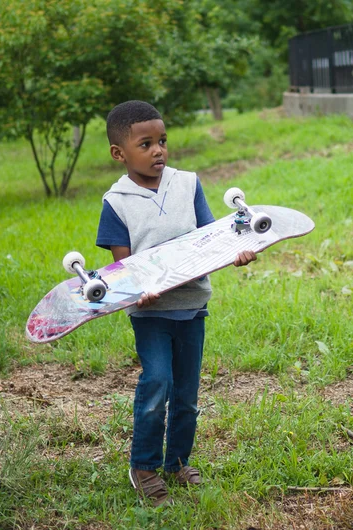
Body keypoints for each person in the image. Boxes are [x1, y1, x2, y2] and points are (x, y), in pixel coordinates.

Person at [96, 100, 256, 506]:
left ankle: (177, 462)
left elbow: (212, 238)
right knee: (158, 384)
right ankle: (144, 466)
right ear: (120, 153)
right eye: (146, 144)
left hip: (192, 306)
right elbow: (123, 266)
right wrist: (138, 288)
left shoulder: (187, 183)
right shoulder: (116, 201)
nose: (158, 151)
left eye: (162, 141)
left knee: (186, 393)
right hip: (151, 313)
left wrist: (237, 251)